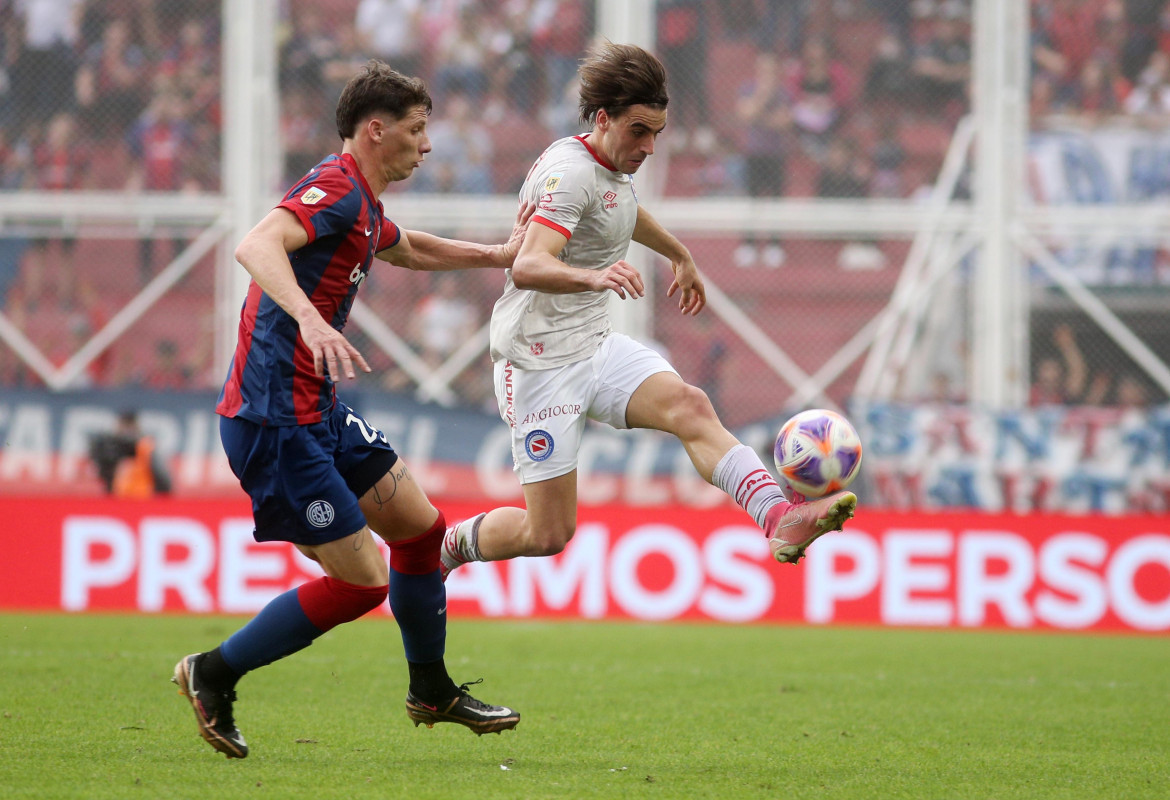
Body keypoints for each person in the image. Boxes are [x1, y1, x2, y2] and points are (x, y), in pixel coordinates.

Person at [172, 60, 533, 760]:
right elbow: (256, 244)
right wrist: (309, 319)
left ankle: (431, 689)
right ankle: (211, 673)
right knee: (362, 581)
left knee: (422, 531)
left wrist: (496, 255)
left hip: (319, 410)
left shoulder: (362, 205)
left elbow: (409, 247)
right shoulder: (335, 187)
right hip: (275, 418)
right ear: (376, 130)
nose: (426, 146)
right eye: (417, 130)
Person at [440, 42, 856, 584]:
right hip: (538, 364)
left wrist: (678, 253)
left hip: (591, 343)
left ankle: (779, 517)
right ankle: (448, 547)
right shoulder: (570, 175)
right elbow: (527, 265)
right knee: (547, 534)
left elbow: (622, 208)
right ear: (603, 118)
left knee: (689, 405)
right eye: (640, 130)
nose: (651, 146)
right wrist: (594, 276)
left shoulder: (608, 160)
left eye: (657, 132)